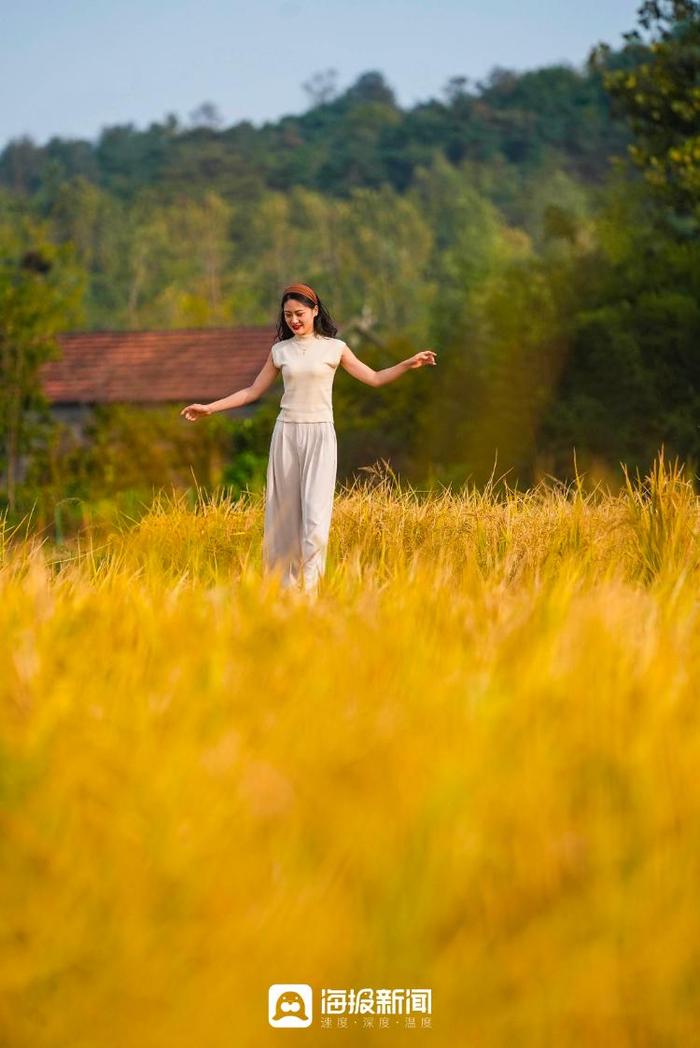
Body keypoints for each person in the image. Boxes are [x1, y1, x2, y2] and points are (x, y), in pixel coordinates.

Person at [180, 282, 437, 595]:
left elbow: (374, 378)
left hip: (320, 435)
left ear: (315, 310)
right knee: (284, 520)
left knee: (315, 520)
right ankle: (282, 594)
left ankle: (311, 594)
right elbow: (252, 391)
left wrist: (408, 364)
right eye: (288, 315)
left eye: (299, 313)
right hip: (286, 434)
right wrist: (210, 407)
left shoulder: (335, 348)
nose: (294, 320)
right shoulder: (280, 351)